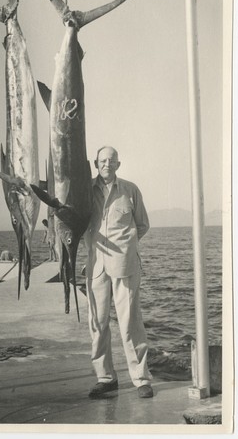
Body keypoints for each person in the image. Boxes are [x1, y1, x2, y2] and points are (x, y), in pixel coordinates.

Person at [84, 146, 153, 399]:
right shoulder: (85, 192)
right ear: (95, 163)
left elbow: (143, 224)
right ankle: (105, 378)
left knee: (129, 323)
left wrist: (126, 248)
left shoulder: (130, 190)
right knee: (98, 323)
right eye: (103, 161)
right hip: (96, 266)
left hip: (125, 265)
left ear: (118, 164)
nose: (107, 165)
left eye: (112, 161)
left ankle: (141, 379)